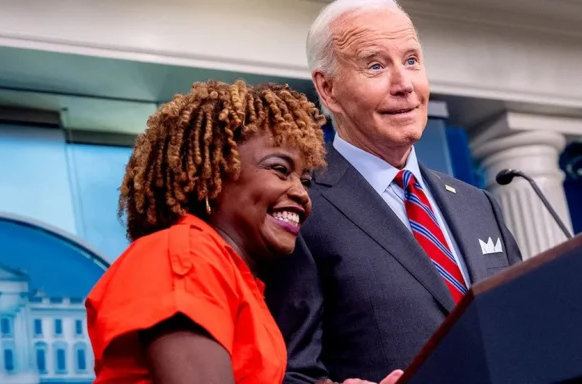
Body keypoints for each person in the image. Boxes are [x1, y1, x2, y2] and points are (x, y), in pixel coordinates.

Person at [262, 1, 525, 383]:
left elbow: (525, 327)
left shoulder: (478, 204)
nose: (404, 84)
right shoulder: (300, 206)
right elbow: (287, 370)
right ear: (328, 89)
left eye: (412, 61)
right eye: (375, 66)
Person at [85, 80, 398, 384]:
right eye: (279, 169)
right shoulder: (184, 256)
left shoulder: (234, 277)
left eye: (304, 181)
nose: (302, 194)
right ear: (212, 174)